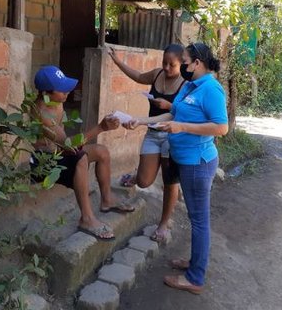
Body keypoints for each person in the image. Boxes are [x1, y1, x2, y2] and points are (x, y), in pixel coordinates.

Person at [124, 43, 228, 294]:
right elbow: (172, 116)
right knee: (197, 218)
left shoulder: (211, 89)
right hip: (185, 159)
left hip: (197, 162)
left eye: (185, 61)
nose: (181, 65)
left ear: (198, 63)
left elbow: (221, 127)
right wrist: (140, 121)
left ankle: (195, 278)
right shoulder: (191, 86)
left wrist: (184, 128)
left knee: (199, 221)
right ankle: (194, 263)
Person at [30, 65, 134, 241]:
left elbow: (66, 146)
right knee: (81, 158)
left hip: (58, 152)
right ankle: (86, 218)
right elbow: (67, 144)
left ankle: (107, 200)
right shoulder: (41, 113)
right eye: (61, 90)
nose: (66, 93)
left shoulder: (57, 104)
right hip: (42, 162)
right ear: (46, 93)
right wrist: (101, 127)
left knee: (102, 152)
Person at [107, 44, 185, 243]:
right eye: (164, 62)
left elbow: (183, 114)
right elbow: (139, 77)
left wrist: (170, 105)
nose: (167, 68)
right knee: (143, 181)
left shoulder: (186, 84)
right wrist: (117, 61)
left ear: (182, 64)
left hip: (172, 138)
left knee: (169, 182)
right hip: (153, 134)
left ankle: (164, 223)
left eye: (172, 65)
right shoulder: (158, 74)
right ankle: (136, 176)